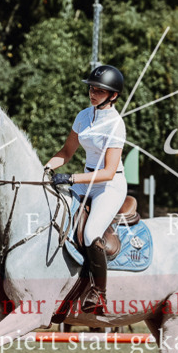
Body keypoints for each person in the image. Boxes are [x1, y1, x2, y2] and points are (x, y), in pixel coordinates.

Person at [44, 65, 128, 315]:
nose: (92, 93)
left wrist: (70, 178)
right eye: (91, 88)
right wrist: (45, 169)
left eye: (99, 90)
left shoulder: (116, 125)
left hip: (108, 185)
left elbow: (108, 171)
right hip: (84, 178)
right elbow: (66, 152)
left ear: (112, 95)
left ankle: (99, 293)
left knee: (91, 233)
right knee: (54, 213)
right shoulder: (83, 116)